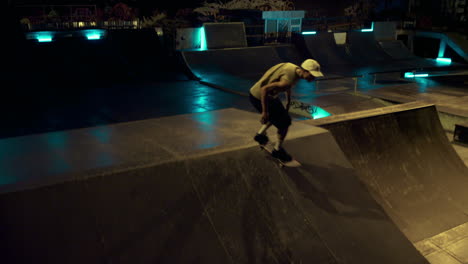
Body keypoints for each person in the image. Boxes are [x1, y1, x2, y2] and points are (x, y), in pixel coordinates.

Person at [249, 59, 324, 162]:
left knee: (280, 115)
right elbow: (264, 89)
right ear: (305, 70)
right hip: (260, 97)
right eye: (312, 75)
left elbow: (287, 82)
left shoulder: (292, 68)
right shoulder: (287, 82)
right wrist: (265, 112)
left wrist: (288, 100)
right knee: (285, 123)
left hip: (268, 95)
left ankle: (260, 135)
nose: (313, 78)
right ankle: (277, 150)